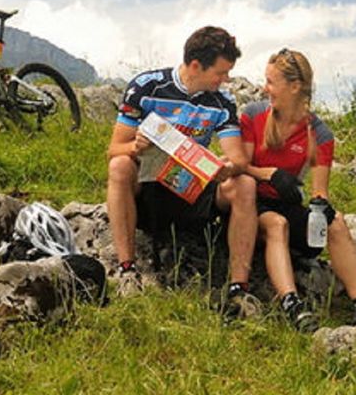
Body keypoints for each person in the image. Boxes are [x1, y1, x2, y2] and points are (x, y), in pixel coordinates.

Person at [107, 26, 260, 317]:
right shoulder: (146, 86)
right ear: (195, 66)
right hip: (149, 189)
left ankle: (239, 290)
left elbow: (238, 158)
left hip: (192, 190)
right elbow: (114, 149)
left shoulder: (222, 101)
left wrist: (228, 168)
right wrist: (135, 147)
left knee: (245, 185)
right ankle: (127, 270)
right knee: (120, 165)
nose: (226, 79)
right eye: (221, 72)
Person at [239, 48, 356, 330]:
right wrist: (270, 175)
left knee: (335, 221)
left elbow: (319, 191)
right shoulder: (253, 115)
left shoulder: (319, 133)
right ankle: (292, 306)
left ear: (294, 86)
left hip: (288, 203)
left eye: (270, 82)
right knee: (277, 224)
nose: (265, 88)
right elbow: (238, 167)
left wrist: (319, 205)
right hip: (250, 204)